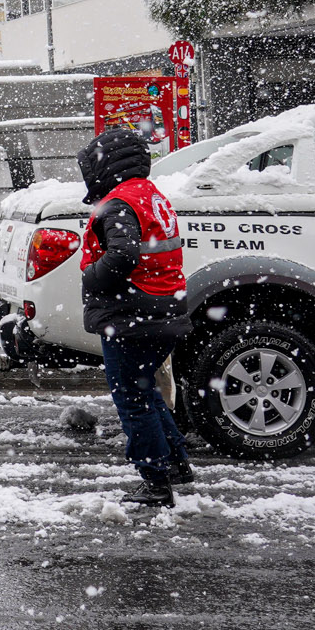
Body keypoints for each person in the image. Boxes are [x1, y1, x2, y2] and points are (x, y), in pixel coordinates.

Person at [78, 126, 193, 507]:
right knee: (143, 385)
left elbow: (123, 256)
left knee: (131, 395)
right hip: (163, 306)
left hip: (134, 313)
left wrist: (91, 277)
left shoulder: (119, 203)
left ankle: (155, 480)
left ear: (104, 165)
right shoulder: (150, 195)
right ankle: (175, 463)